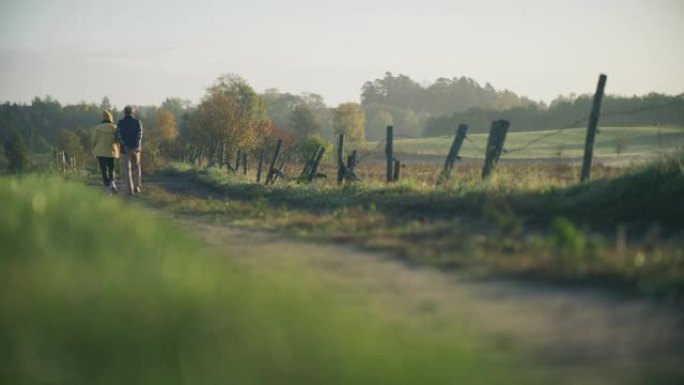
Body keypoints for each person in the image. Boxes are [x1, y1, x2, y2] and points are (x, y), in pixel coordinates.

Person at [116, 105, 143, 195]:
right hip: (136, 150)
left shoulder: (120, 123)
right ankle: (136, 186)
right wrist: (135, 147)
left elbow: (119, 136)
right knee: (137, 167)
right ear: (132, 112)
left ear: (124, 112)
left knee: (127, 169)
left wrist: (125, 146)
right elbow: (139, 135)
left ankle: (129, 189)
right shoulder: (137, 122)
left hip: (125, 150)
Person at [92, 110, 120, 193]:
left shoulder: (97, 128)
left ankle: (107, 186)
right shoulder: (115, 128)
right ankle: (112, 183)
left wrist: (94, 148)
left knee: (104, 169)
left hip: (100, 152)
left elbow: (93, 140)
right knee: (111, 168)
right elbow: (117, 140)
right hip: (112, 151)